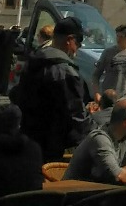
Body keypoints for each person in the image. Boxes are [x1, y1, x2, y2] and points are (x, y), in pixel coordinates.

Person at [15, 16, 92, 161]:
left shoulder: (33, 61)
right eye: (78, 42)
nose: (78, 48)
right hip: (52, 142)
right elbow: (75, 114)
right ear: (69, 40)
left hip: (28, 136)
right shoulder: (64, 70)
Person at [66, 99, 126, 184]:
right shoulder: (99, 139)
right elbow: (117, 176)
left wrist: (122, 172)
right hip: (75, 193)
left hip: (100, 191)